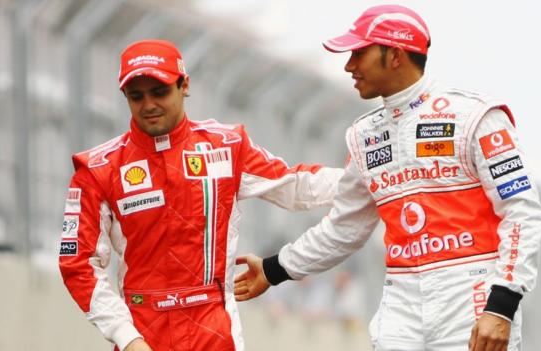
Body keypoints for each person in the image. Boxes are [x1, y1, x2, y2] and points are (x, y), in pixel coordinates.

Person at [234, 5, 541, 351]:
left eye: (359, 53)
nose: (350, 65)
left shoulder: (474, 118)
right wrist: (276, 268)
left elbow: (522, 213)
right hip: (402, 300)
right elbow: (344, 227)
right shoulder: (364, 135)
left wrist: (501, 306)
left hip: (470, 296)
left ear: (394, 54)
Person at [58, 39, 342, 351]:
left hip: (215, 332)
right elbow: (78, 264)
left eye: (160, 92)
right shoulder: (99, 168)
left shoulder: (226, 146)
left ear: (185, 86)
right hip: (143, 335)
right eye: (136, 96)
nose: (149, 104)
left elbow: (295, 185)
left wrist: (366, 179)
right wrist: (128, 338)